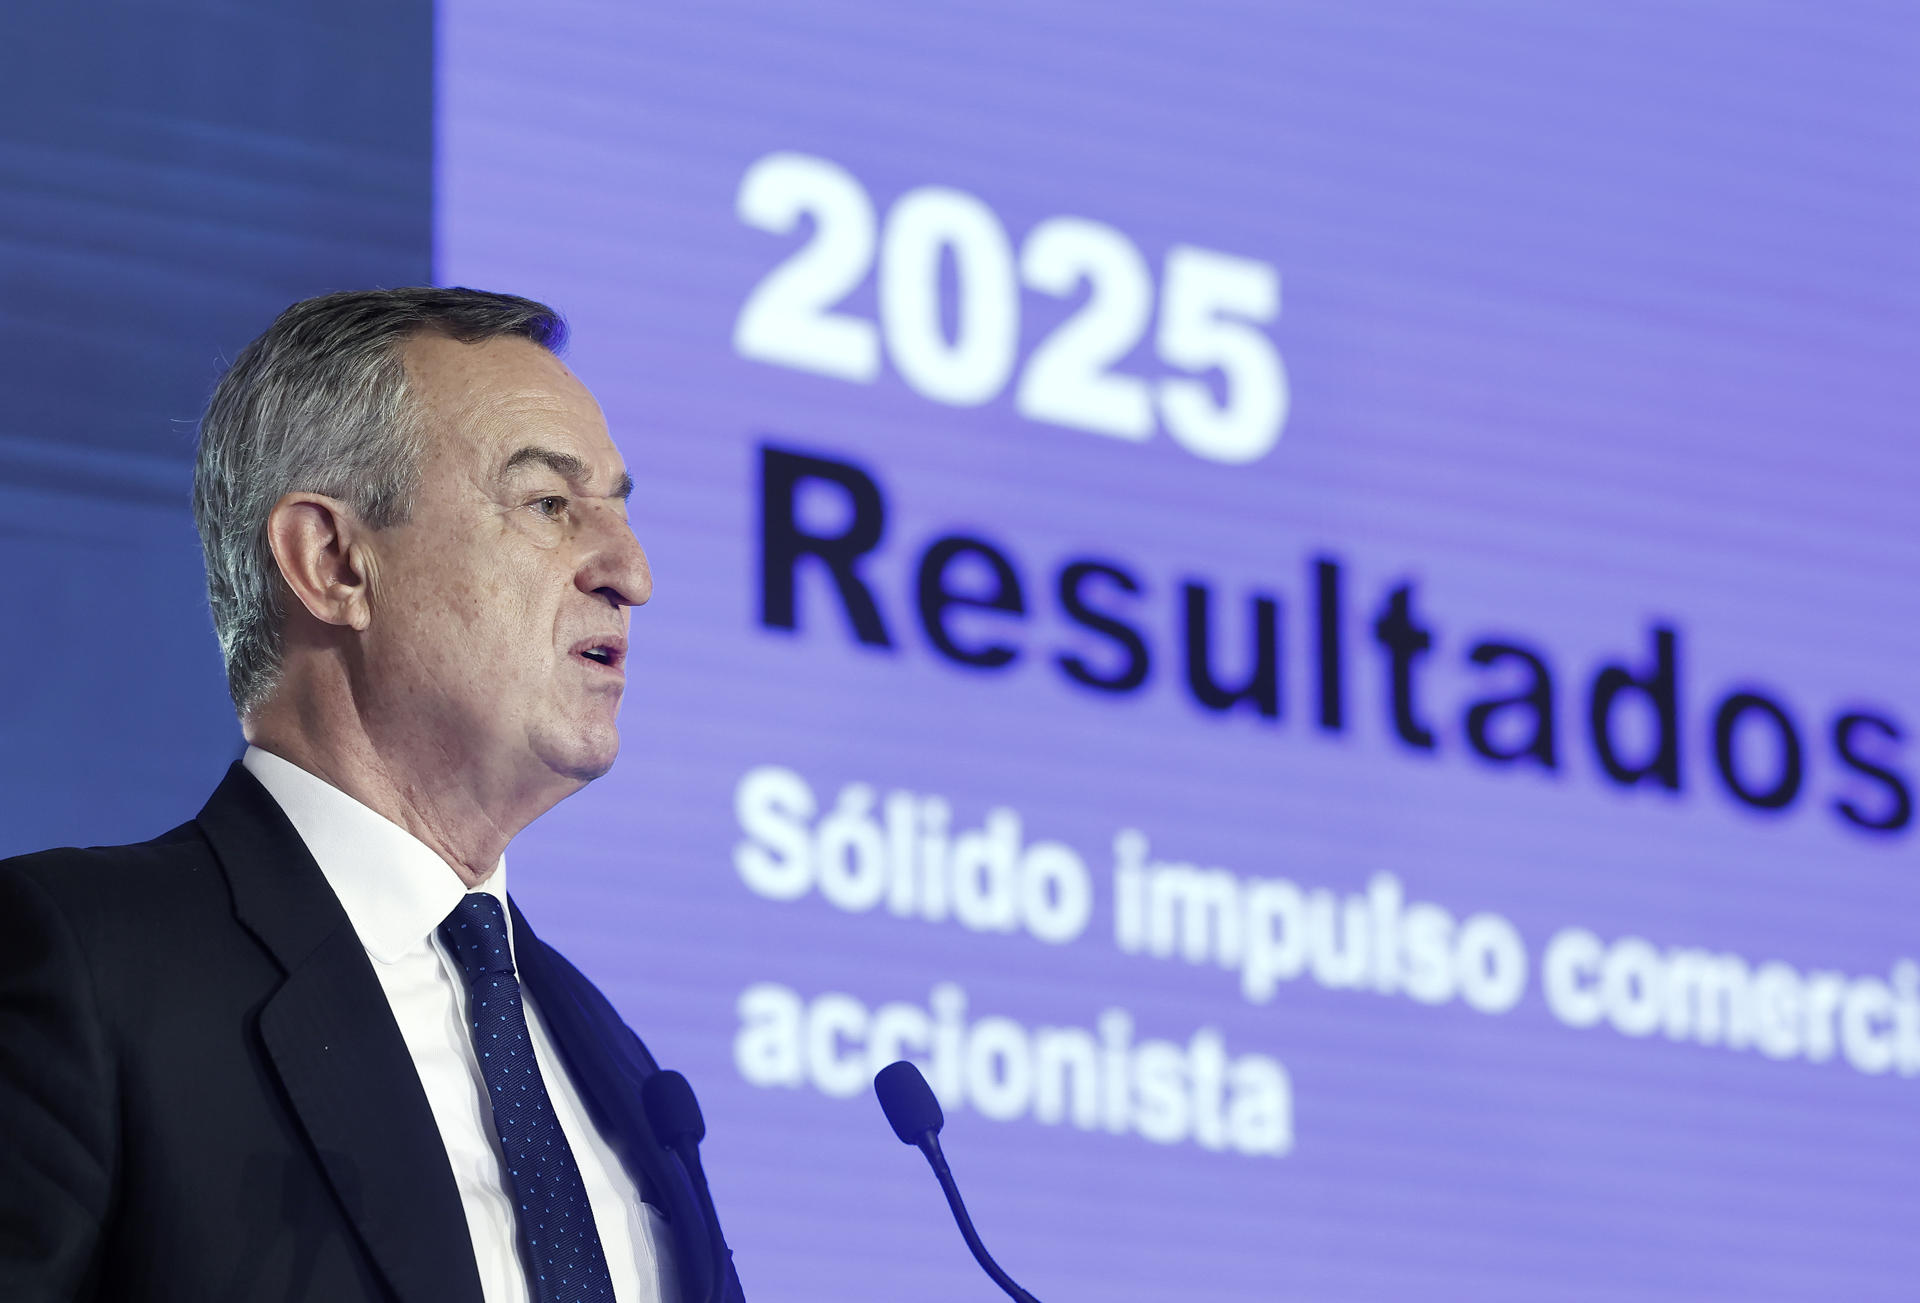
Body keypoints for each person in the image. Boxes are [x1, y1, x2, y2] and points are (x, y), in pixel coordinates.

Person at [0, 287, 745, 1303]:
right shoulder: (78, 968)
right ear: (333, 561)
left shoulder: (610, 1058)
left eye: (619, 507)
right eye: (548, 505)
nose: (632, 571)